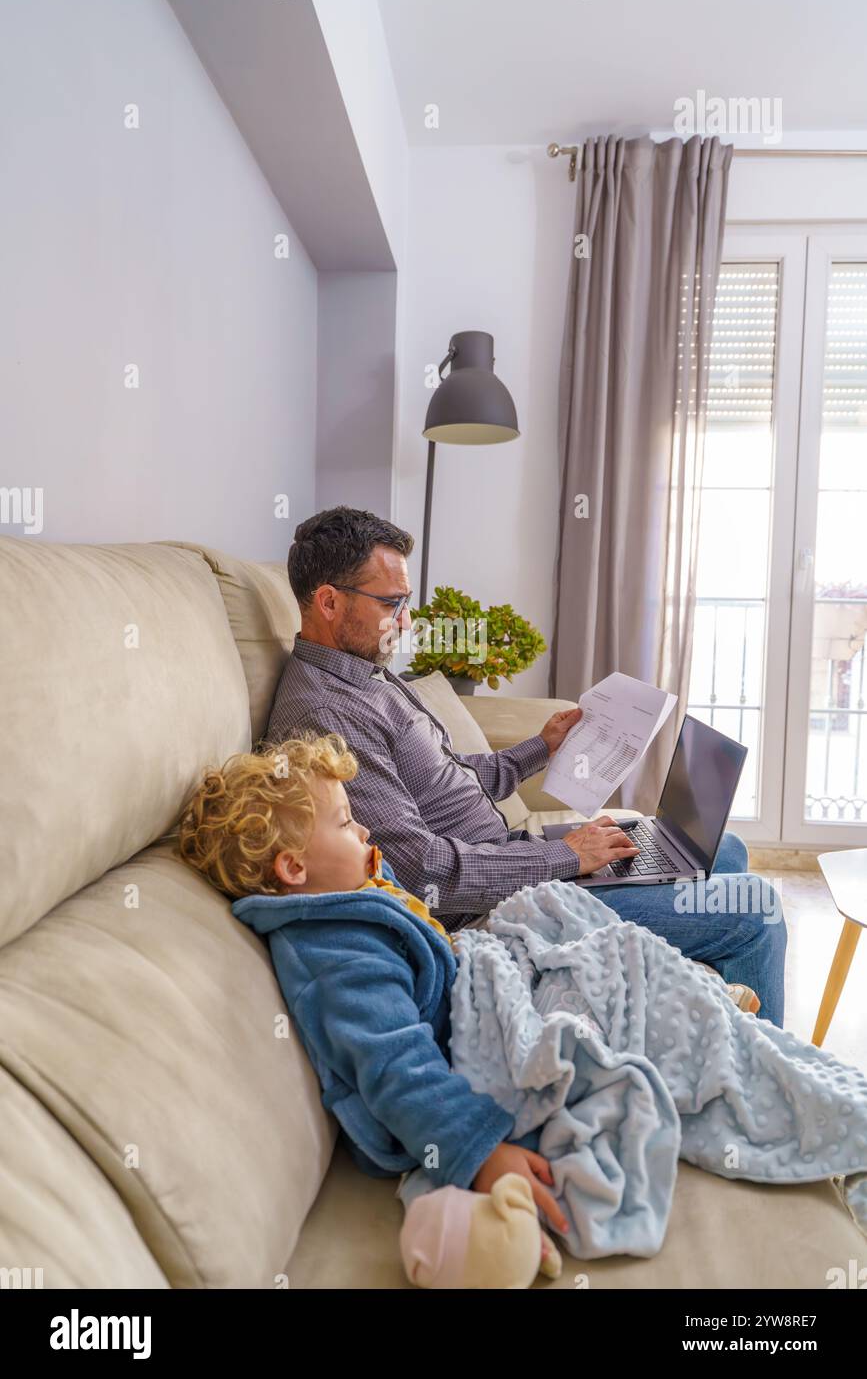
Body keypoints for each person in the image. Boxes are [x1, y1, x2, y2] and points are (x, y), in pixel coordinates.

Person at [175, 735, 761, 1250]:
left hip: (476, 972)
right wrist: (478, 1152)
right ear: (293, 869)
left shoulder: (344, 895)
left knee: (597, 933)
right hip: (471, 1032)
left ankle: (685, 998)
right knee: (717, 925)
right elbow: (398, 1066)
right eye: (345, 824)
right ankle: (702, 1022)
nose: (365, 830)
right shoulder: (335, 955)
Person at [264, 505, 786, 1027]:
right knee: (754, 909)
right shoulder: (327, 714)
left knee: (722, 849)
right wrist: (565, 857)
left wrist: (541, 747)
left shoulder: (365, 673)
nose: (406, 621)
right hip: (497, 912)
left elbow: (445, 780)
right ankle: (764, 1073)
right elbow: (425, 873)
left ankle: (699, 1012)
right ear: (329, 602)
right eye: (392, 603)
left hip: (516, 862)